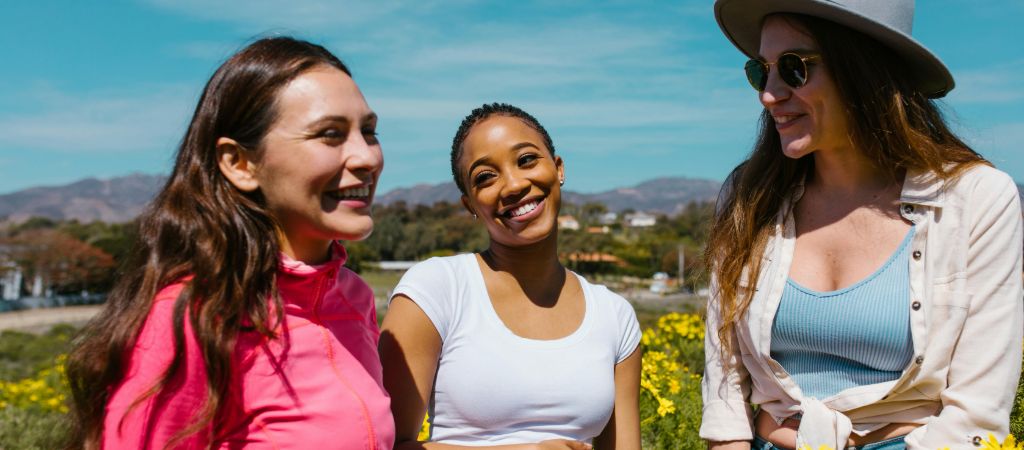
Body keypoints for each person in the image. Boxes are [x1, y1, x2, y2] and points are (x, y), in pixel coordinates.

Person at [703, 0, 1024, 448]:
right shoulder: (748, 196)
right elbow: (725, 389)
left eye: (794, 69)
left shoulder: (977, 199)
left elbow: (978, 412)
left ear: (864, 70)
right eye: (761, 70)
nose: (769, 93)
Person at [65, 37, 394, 449]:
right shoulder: (194, 317)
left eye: (369, 131)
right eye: (329, 135)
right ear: (240, 164)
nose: (367, 157)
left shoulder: (354, 298)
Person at [379, 103, 642, 450]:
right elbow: (378, 443)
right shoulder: (435, 289)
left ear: (558, 168)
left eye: (527, 160)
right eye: (486, 177)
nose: (514, 184)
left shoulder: (615, 315)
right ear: (470, 204)